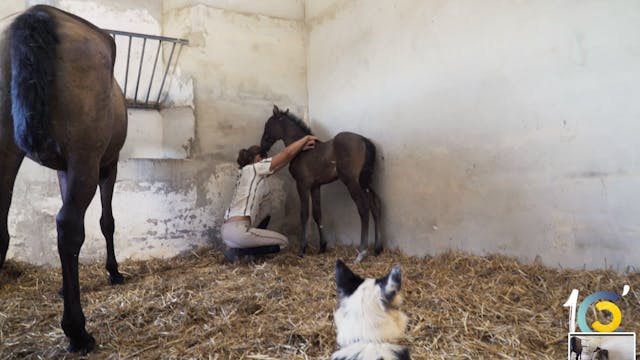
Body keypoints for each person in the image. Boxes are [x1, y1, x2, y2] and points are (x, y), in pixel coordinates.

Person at [221, 134, 318, 263]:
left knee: (266, 209)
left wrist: (299, 150)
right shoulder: (256, 168)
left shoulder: (246, 172)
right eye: (264, 160)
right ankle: (238, 252)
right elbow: (286, 153)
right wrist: (305, 139)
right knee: (283, 242)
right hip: (239, 232)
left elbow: (279, 164)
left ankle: (237, 251)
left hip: (226, 232)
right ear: (258, 158)